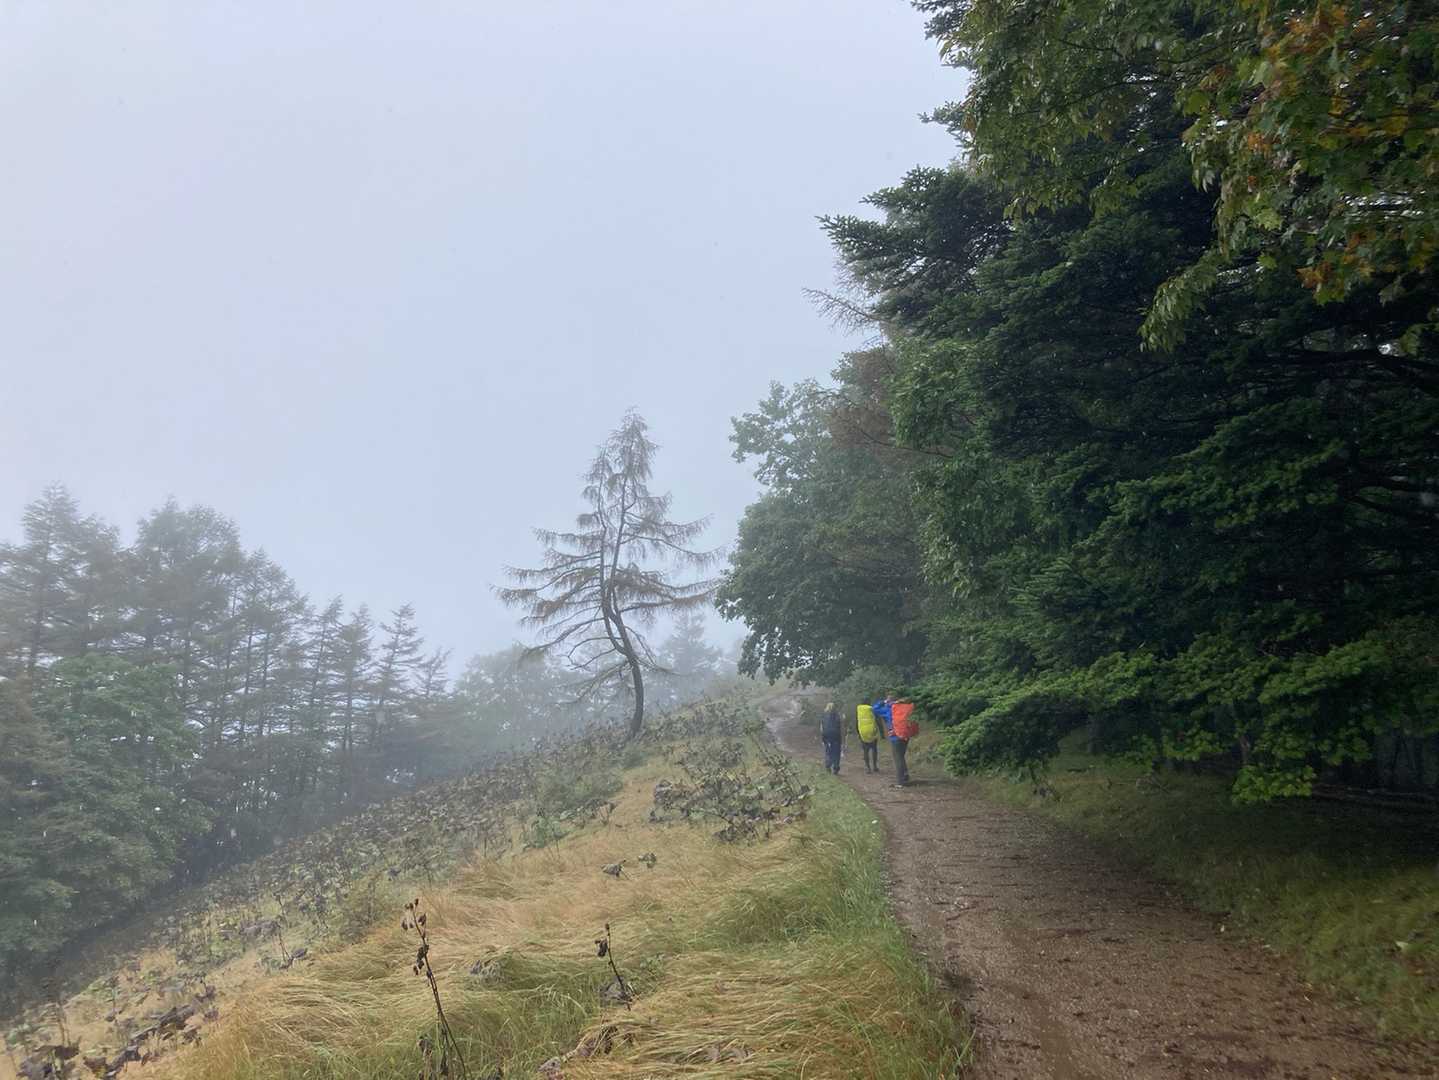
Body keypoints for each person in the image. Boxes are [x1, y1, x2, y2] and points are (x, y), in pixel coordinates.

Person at [855, 701, 881, 773]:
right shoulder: (871, 709)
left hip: (863, 733)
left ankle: (868, 768)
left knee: (866, 751)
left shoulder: (859, 711)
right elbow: (878, 720)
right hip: (872, 732)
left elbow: (857, 722)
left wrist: (858, 733)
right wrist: (881, 733)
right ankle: (875, 766)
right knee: (874, 750)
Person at [819, 701, 843, 775]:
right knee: (836, 752)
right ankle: (836, 768)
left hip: (827, 736)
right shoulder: (837, 715)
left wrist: (823, 738)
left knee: (828, 751)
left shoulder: (823, 715)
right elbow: (839, 727)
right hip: (836, 736)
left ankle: (828, 766)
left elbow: (821, 728)